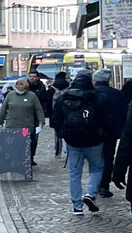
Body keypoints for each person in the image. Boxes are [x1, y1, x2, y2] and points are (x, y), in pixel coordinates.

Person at [50, 72, 107, 214]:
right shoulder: (98, 98)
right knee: (97, 168)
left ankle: (77, 205)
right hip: (94, 140)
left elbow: (55, 120)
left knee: (74, 172)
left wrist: (63, 133)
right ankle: (91, 194)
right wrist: (102, 133)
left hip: (73, 141)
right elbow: (107, 119)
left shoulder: (64, 98)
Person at [0, 78, 45, 176]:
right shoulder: (10, 95)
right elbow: (4, 108)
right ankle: (14, 163)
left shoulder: (32, 96)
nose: (19, 86)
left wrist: (41, 121)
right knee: (12, 145)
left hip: (26, 126)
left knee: (26, 146)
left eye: (21, 85)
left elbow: (38, 109)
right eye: (18, 85)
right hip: (12, 125)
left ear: (26, 86)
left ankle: (26, 162)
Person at [92, 70, 125, 198]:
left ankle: (94, 185)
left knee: (95, 158)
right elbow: (123, 114)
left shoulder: (92, 93)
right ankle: (104, 185)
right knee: (108, 158)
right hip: (111, 132)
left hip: (94, 132)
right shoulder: (117, 94)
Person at [27, 71, 53, 166]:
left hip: (36, 117)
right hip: (24, 116)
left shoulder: (41, 88)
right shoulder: (26, 87)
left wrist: (42, 114)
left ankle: (31, 157)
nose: (32, 78)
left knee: (34, 138)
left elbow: (44, 101)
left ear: (38, 77)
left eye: (34, 76)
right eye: (30, 76)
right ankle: (24, 157)